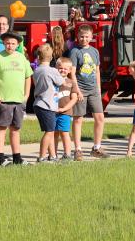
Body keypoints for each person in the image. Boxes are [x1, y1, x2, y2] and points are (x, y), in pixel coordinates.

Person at [0, 31, 33, 166]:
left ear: (17, 44)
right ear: (3, 43)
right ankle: (0, 157)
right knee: (1, 128)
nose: (10, 46)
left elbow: (28, 76)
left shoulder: (21, 58)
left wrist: (27, 94)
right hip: (3, 99)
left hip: (18, 99)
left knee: (15, 129)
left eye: (13, 43)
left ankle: (17, 157)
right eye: (7, 43)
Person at [69, 25, 109, 159]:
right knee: (78, 118)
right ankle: (78, 149)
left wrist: (98, 87)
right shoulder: (74, 51)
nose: (84, 39)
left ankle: (96, 147)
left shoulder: (95, 51)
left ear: (91, 37)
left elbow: (97, 70)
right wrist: (77, 90)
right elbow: (72, 73)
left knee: (99, 117)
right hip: (81, 89)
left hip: (93, 90)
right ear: (77, 36)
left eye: (87, 37)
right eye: (81, 36)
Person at [32, 44, 65, 163]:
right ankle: (41, 156)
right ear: (51, 58)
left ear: (38, 57)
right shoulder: (52, 70)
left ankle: (53, 156)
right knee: (49, 132)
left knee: (49, 131)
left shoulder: (37, 70)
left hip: (39, 103)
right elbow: (61, 82)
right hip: (47, 104)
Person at [54, 57, 81, 160]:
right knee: (53, 133)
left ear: (70, 70)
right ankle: (53, 154)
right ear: (56, 68)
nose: (63, 70)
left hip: (65, 113)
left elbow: (74, 99)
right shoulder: (53, 81)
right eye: (60, 68)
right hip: (53, 111)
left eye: (66, 69)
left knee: (64, 132)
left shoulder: (71, 83)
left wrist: (64, 108)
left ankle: (67, 154)